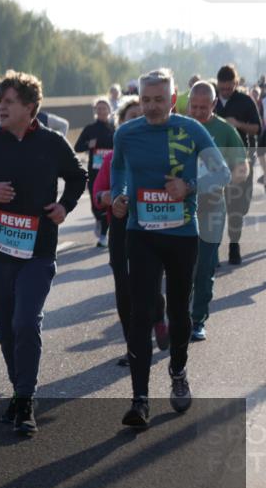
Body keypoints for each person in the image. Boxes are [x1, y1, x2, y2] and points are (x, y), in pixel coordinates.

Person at [0, 70, 87, 436]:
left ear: (30, 108)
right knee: (4, 323)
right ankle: (19, 387)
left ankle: (26, 398)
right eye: (0, 101)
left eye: (9, 102)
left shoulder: (52, 142)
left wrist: (65, 207)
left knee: (26, 322)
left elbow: (78, 176)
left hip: (38, 250)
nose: (1, 107)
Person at [110, 69, 230, 428]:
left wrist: (189, 186)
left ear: (173, 97)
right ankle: (139, 399)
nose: (151, 106)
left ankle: (178, 370)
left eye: (159, 99)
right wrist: (120, 195)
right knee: (140, 313)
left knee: (180, 312)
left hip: (181, 235)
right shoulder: (126, 133)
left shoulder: (191, 129)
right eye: (145, 99)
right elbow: (118, 169)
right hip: (140, 232)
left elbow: (222, 173)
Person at [93, 97, 168, 368]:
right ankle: (133, 346)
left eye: (141, 117)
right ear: (120, 126)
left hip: (154, 226)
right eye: (130, 118)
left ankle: (159, 314)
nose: (136, 122)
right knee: (124, 288)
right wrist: (109, 199)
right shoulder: (112, 157)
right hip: (122, 228)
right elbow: (97, 194)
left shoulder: (163, 154)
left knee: (149, 285)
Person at [186, 82, 248, 342]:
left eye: (204, 107)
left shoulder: (224, 131)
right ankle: (177, 316)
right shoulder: (179, 127)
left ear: (213, 105)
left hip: (212, 208)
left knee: (204, 267)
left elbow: (241, 167)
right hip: (180, 209)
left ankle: (198, 319)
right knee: (181, 268)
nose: (199, 112)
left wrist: (221, 181)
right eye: (194, 106)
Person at [215, 64, 263, 265]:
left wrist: (239, 124)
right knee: (213, 207)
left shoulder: (245, 101)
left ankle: (234, 244)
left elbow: (258, 129)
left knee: (238, 206)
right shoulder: (211, 101)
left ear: (236, 83)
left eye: (229, 87)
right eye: (222, 88)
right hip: (215, 161)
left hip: (241, 159)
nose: (225, 91)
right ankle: (213, 251)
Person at [74, 98, 116, 247]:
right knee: (95, 204)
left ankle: (104, 235)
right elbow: (77, 147)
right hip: (94, 172)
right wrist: (88, 145)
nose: (101, 111)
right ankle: (100, 220)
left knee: (106, 202)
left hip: (111, 172)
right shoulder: (90, 129)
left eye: (104, 108)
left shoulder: (115, 129)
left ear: (109, 110)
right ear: (95, 111)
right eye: (98, 109)